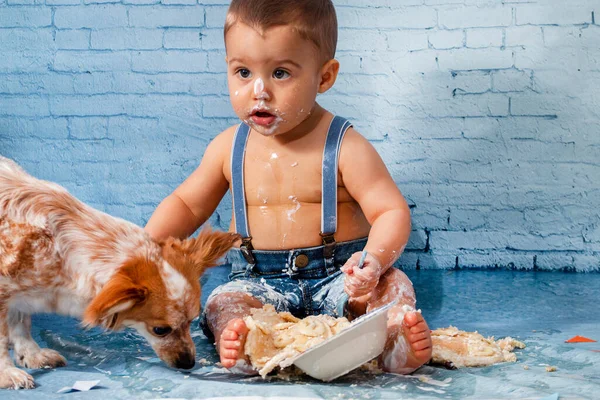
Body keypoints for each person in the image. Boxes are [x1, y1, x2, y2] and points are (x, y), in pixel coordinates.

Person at [145, 0, 432, 375]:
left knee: (393, 286)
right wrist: (143, 246)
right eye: (243, 72)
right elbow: (186, 204)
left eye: (280, 73)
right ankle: (246, 344)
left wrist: (373, 262)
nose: (259, 91)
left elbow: (390, 211)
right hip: (257, 281)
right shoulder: (228, 148)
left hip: (338, 278)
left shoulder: (344, 145)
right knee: (223, 301)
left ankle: (394, 343)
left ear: (324, 77)